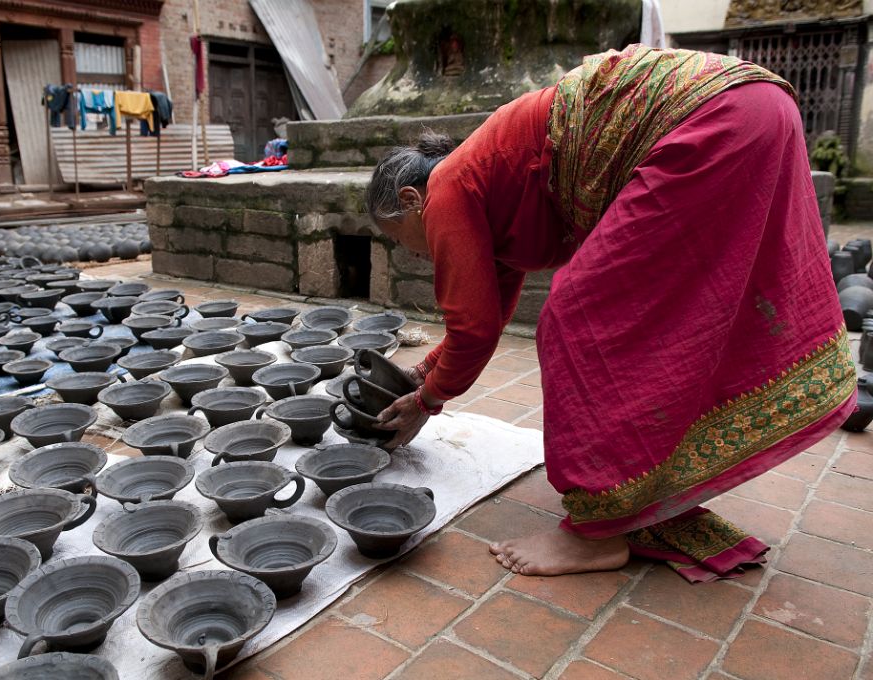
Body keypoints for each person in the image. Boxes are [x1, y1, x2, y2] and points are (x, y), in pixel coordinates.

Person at [366, 44, 856, 582]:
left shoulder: (447, 191)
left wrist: (427, 402)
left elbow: (474, 326)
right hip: (754, 104)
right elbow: (487, 314)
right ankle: (642, 480)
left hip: (712, 118)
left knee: (578, 318)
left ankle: (595, 535)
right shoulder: (484, 181)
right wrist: (425, 372)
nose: (414, 253)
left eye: (401, 240)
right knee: (662, 318)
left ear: (412, 199)